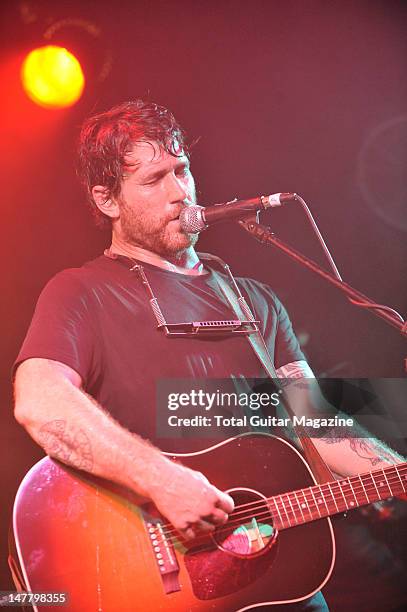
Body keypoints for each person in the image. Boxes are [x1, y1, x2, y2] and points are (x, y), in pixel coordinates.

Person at [13, 100, 404, 611]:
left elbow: (318, 422)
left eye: (183, 170)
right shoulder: (80, 293)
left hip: (280, 583)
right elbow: (40, 402)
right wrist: (162, 481)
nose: (181, 192)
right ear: (107, 200)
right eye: (155, 180)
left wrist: (396, 469)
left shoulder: (254, 300)